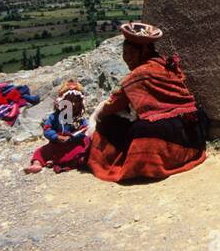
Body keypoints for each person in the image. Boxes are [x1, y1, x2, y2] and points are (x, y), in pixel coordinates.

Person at [88, 21, 207, 183]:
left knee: (110, 123)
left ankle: (142, 163)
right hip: (192, 132)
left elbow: (114, 104)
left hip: (171, 128)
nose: (127, 59)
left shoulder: (140, 74)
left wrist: (98, 115)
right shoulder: (163, 64)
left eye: (130, 53)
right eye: (125, 53)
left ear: (144, 50)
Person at [24, 80, 90, 174]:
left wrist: (72, 137)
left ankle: (61, 161)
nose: (73, 104)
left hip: (73, 144)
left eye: (76, 101)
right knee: (40, 152)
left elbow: (84, 130)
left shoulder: (79, 118)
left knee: (82, 149)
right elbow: (47, 129)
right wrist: (56, 136)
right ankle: (36, 164)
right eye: (69, 101)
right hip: (57, 144)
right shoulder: (54, 117)